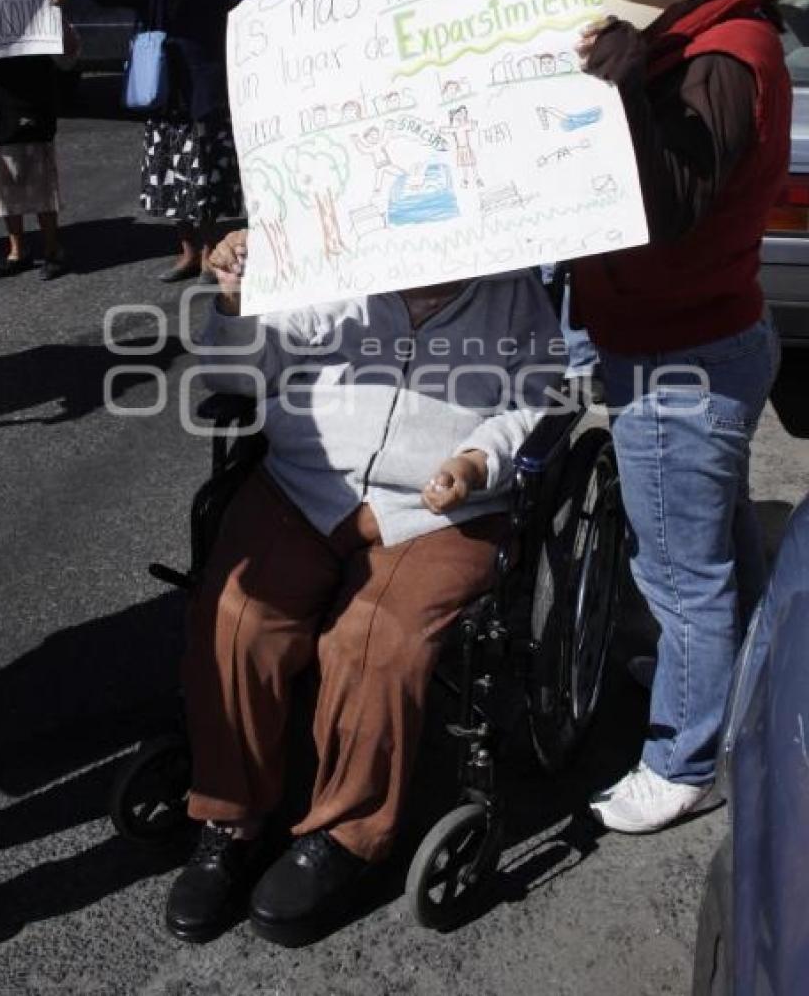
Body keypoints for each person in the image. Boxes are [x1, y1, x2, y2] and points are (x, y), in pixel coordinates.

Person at [164, 235, 561, 944]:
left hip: (440, 511)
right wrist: (233, 300)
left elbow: (535, 396)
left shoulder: (514, 292)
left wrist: (477, 461)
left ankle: (345, 836)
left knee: (375, 638)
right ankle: (231, 815)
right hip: (305, 481)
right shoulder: (333, 261)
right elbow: (236, 375)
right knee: (240, 615)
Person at [572, 0, 790, 834]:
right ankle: (720, 681)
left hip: (679, 356)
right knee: (712, 540)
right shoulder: (727, 32)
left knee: (679, 572)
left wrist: (623, 87)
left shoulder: (724, 59)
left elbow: (669, 206)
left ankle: (685, 757)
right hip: (707, 334)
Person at [57, 0, 243, 282]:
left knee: (204, 174)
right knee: (171, 175)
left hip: (200, 89)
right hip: (161, 89)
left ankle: (212, 251)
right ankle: (188, 252)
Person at [0, 0, 76, 281]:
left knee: (37, 175)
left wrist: (57, 12)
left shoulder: (36, 1)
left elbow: (68, 56)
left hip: (29, 95)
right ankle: (17, 250)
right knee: (2, 177)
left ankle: (53, 249)